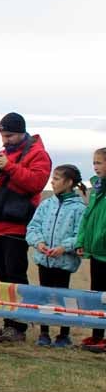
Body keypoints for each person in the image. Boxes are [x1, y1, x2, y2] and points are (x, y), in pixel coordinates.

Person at [0, 112, 51, 342]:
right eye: (2, 135)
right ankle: (8, 322)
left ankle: (19, 326)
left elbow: (35, 183)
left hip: (16, 224)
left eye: (9, 135)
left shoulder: (38, 154)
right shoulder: (1, 154)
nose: (5, 140)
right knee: (3, 276)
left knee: (16, 275)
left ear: (21, 132)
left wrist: (9, 167)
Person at [26, 165, 87, 347]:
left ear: (69, 183)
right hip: (44, 260)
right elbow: (33, 227)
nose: (52, 182)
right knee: (44, 296)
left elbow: (80, 235)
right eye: (52, 178)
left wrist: (64, 247)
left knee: (63, 297)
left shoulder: (79, 209)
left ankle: (63, 335)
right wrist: (39, 243)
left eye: (57, 179)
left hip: (64, 262)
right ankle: (44, 334)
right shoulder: (46, 204)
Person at [76, 148, 106, 352]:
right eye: (94, 162)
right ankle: (97, 335)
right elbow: (87, 216)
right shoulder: (96, 189)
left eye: (100, 163)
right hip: (96, 251)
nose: (95, 166)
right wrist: (81, 240)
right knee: (97, 294)